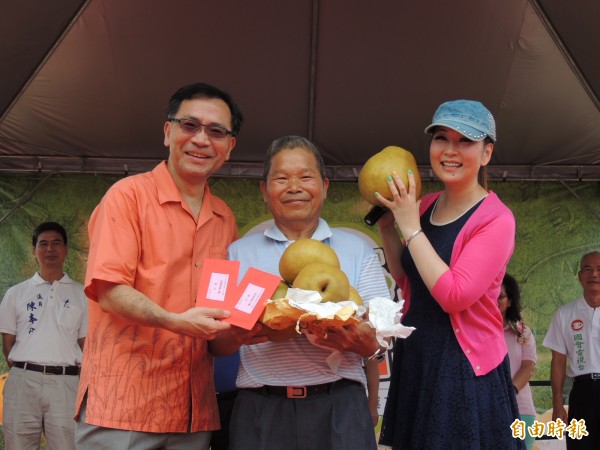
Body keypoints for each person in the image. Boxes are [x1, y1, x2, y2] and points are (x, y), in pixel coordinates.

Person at [74, 82, 245, 450]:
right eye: (190, 125)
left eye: (216, 131)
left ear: (229, 148)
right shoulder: (127, 197)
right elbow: (110, 291)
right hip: (123, 406)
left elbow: (217, 325)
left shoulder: (224, 219)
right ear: (168, 132)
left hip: (192, 411)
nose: (201, 139)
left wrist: (252, 328)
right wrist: (177, 321)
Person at [215, 135, 390, 450]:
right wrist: (252, 330)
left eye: (305, 177)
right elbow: (217, 342)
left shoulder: (358, 249)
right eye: (281, 178)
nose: (294, 186)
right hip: (261, 407)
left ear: (324, 187)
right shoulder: (237, 253)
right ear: (265, 191)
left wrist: (367, 345)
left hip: (339, 403)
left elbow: (382, 337)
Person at [376, 99, 523, 449]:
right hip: (418, 359)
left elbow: (454, 295)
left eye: (465, 141)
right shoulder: (424, 205)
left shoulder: (496, 220)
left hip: (462, 367)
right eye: (441, 138)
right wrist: (388, 227)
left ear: (486, 153)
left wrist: (411, 229)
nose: (450, 150)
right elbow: (411, 281)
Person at [0, 221, 87, 450]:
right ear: (34, 251)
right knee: (18, 445)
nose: (50, 249)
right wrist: (29, 369)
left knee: (68, 445)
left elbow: (86, 345)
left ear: (66, 250)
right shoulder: (15, 293)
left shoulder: (82, 294)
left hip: (67, 383)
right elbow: (7, 345)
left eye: (56, 243)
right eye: (43, 244)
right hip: (23, 380)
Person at [543, 250, 600, 449]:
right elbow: (558, 362)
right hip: (582, 393)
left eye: (599, 270)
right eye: (588, 269)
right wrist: (558, 404)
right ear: (579, 276)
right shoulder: (565, 314)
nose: (594, 274)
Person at [499, 273, 537, 450]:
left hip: (521, 409)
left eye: (500, 297)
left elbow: (528, 367)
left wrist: (509, 392)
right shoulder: (476, 332)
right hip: (487, 408)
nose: (494, 301)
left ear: (510, 302)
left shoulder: (522, 332)